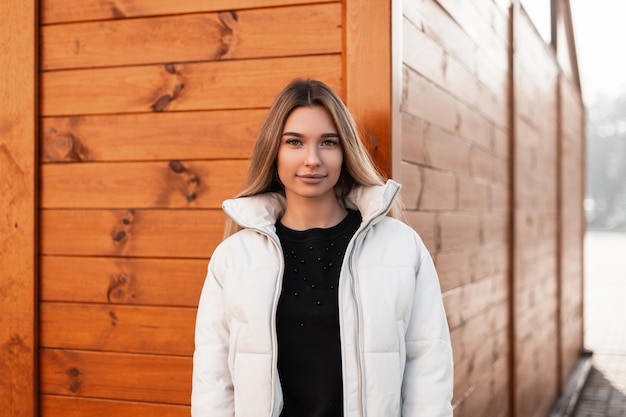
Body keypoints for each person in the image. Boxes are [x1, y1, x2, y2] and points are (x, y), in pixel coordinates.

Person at [191, 79, 453, 417]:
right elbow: (213, 382)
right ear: (275, 151)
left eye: (328, 142)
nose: (312, 159)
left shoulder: (401, 248)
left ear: (345, 152)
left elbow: (428, 369)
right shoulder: (233, 259)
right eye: (295, 142)